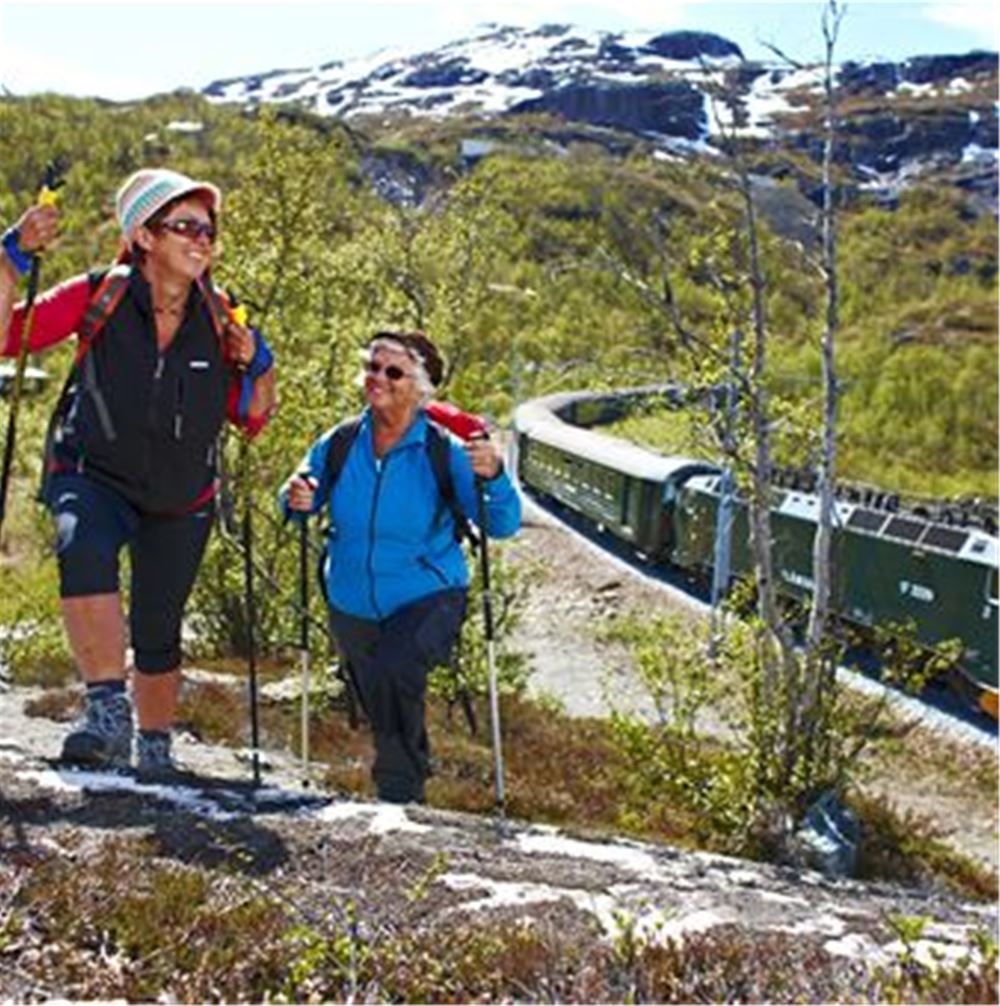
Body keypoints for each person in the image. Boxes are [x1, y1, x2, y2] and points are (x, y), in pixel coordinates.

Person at [0, 168, 277, 780]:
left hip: (181, 495)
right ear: (145, 237)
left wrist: (259, 365)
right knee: (84, 549)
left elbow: (252, 417)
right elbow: (6, 336)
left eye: (208, 229)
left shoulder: (221, 317)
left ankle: (154, 746)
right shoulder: (99, 294)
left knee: (158, 624)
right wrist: (11, 257)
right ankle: (105, 711)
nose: (202, 239)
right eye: (185, 226)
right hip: (91, 468)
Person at [280, 331, 519, 804]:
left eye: (393, 372)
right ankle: (405, 782)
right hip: (350, 598)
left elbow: (503, 523)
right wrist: (295, 496)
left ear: (421, 386)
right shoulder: (341, 442)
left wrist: (493, 477)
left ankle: (400, 793)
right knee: (380, 696)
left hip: (428, 595)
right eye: (372, 367)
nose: (377, 379)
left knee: (393, 670)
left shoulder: (443, 451)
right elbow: (299, 495)